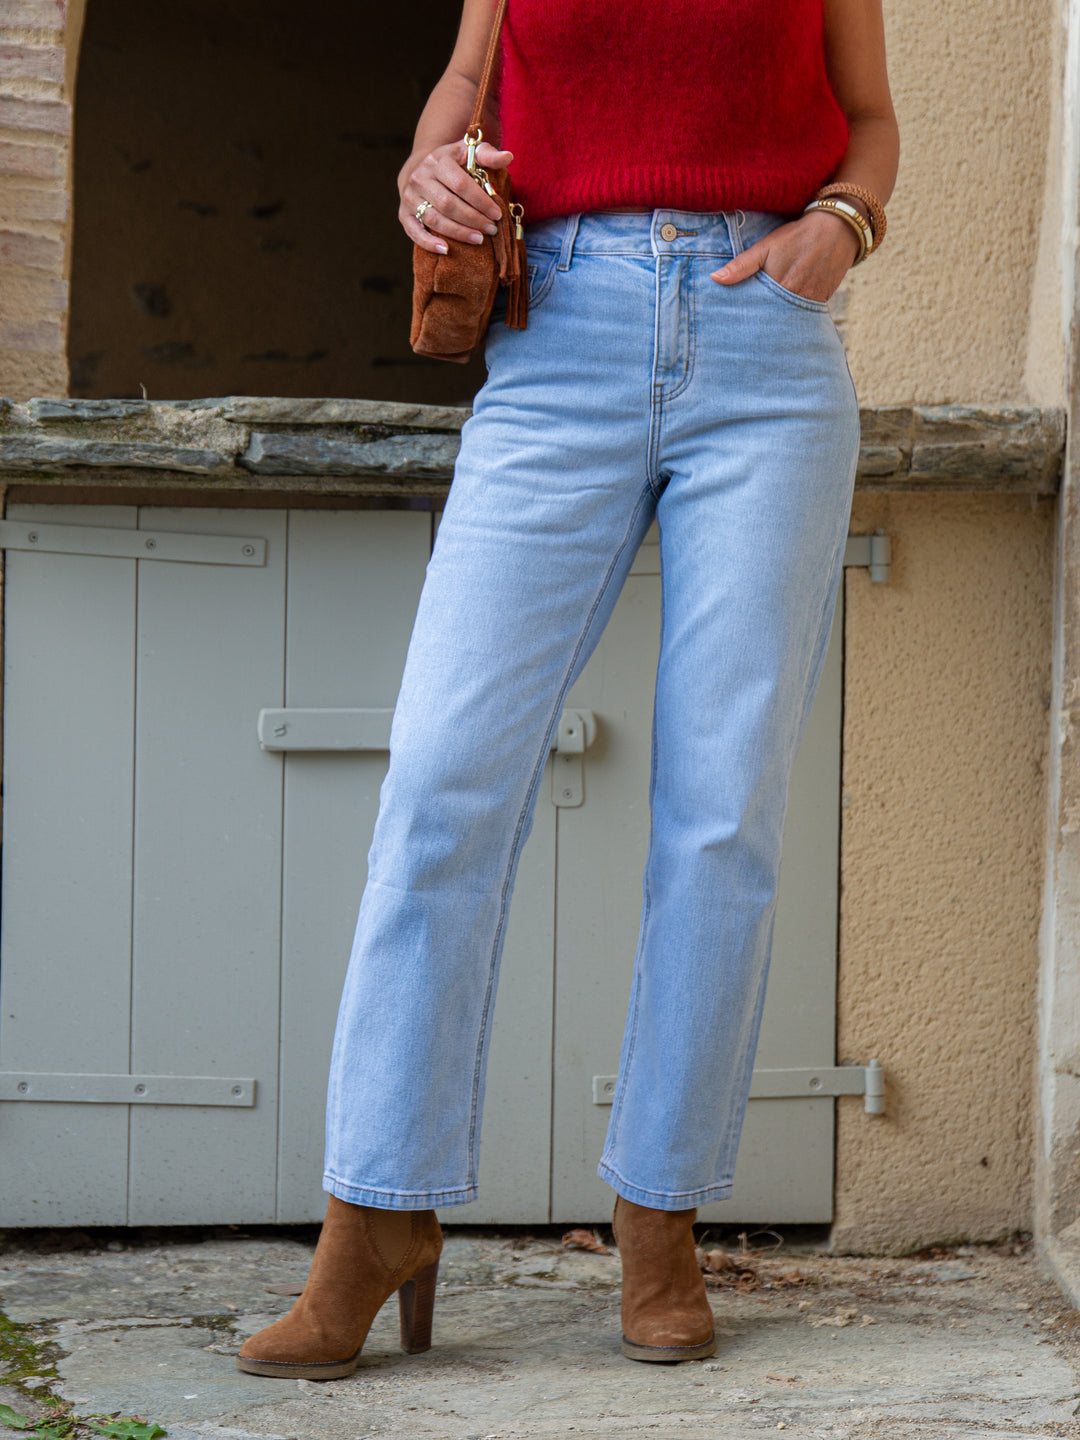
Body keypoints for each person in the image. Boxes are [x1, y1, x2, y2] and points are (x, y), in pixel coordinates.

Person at [238, 0, 899, 1378]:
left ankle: (659, 1217)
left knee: (722, 810)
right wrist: (424, 169)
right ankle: (375, 1214)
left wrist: (843, 224)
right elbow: (465, 88)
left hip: (764, 343)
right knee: (439, 781)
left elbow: (872, 120)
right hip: (559, 348)